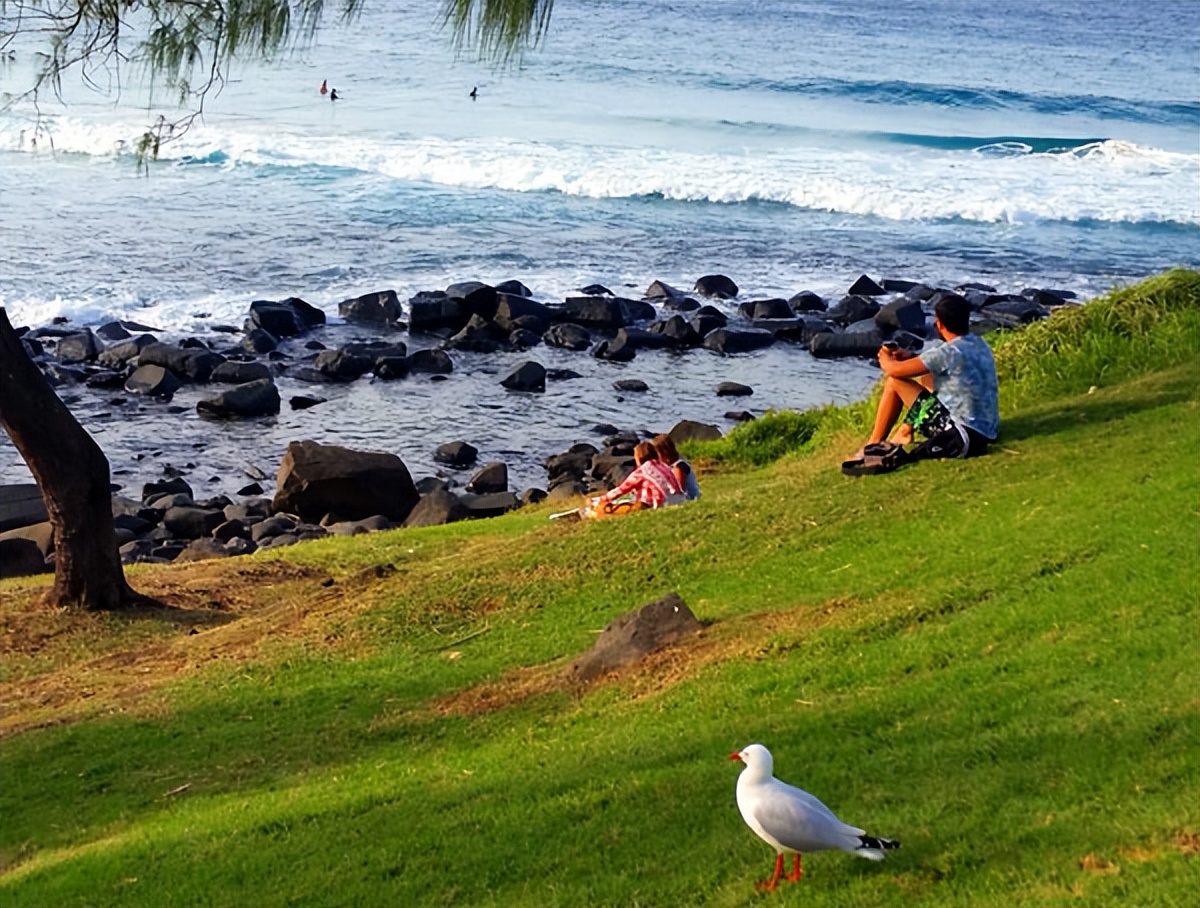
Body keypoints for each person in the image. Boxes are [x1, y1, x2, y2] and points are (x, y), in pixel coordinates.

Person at [845, 294, 998, 472]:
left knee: (894, 382)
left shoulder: (947, 352)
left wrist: (885, 357)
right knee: (928, 377)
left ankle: (872, 444)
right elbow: (933, 364)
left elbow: (894, 371)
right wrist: (908, 357)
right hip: (985, 430)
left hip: (959, 434)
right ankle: (905, 430)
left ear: (940, 324)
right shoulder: (978, 343)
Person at [598, 441, 683, 511]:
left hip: (665, 504)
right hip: (680, 499)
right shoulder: (663, 465)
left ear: (639, 457)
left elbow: (620, 490)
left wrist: (599, 500)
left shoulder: (643, 470)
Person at [652, 433, 700, 500]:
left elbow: (679, 489)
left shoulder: (679, 466)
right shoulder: (669, 467)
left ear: (663, 452)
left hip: (689, 497)